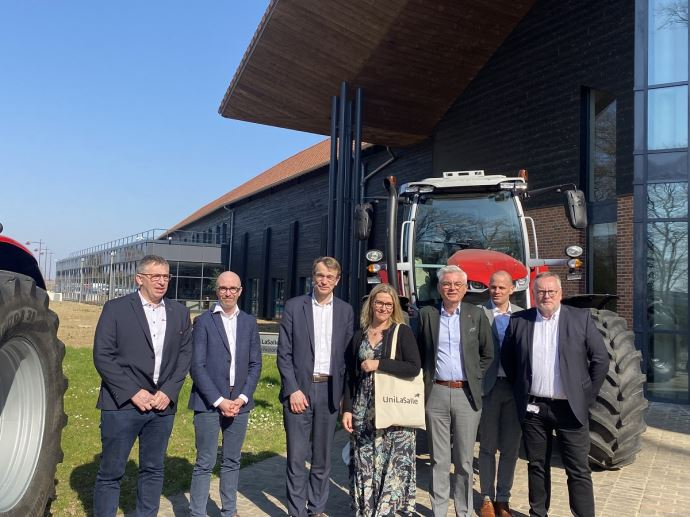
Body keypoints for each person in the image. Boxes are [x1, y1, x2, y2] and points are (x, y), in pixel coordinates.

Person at [501, 272, 608, 517]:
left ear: (560, 293)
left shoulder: (580, 318)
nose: (546, 296)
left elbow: (600, 360)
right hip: (534, 410)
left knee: (578, 469)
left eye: (551, 291)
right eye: (541, 291)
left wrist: (586, 396)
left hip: (570, 408)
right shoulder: (519, 320)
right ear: (534, 294)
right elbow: (509, 360)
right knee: (537, 465)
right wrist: (522, 388)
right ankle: (538, 513)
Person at [92, 255, 192, 517]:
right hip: (123, 405)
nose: (162, 281)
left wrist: (168, 392)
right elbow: (103, 355)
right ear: (139, 279)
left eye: (166, 276)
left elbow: (185, 357)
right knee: (111, 472)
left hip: (161, 407)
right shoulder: (116, 309)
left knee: (153, 469)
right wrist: (132, 392)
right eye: (155, 276)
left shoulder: (180, 313)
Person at [277, 257, 355, 517]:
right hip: (300, 391)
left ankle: (317, 509)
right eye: (320, 275)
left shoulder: (345, 311)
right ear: (313, 277)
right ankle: (296, 511)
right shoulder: (294, 306)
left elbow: (348, 360)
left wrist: (346, 401)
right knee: (296, 458)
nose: (324, 281)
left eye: (330, 277)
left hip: (330, 392)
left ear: (337, 280)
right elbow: (284, 353)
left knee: (322, 458)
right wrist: (293, 389)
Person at [417, 265, 493, 517]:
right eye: (447, 284)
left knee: (463, 459)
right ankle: (439, 511)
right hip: (436, 393)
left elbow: (487, 354)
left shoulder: (476, 314)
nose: (452, 288)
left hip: (466, 395)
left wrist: (474, 377)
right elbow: (419, 352)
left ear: (465, 287)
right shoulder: (427, 314)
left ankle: (464, 510)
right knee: (438, 459)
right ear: (439, 288)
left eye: (457, 284)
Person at [342, 283, 422, 516]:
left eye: (389, 304)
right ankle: (367, 510)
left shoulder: (402, 332)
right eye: (379, 302)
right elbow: (350, 375)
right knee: (365, 462)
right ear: (371, 304)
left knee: (392, 464)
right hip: (363, 409)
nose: (384, 308)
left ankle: (387, 512)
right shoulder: (359, 335)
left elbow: (414, 367)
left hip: (395, 410)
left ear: (394, 307)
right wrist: (347, 409)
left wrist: (379, 364)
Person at [188, 271, 262, 517]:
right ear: (216, 291)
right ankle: (197, 513)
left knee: (232, 460)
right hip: (208, 403)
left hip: (240, 403)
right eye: (223, 288)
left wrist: (242, 398)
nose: (228, 293)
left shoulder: (249, 322)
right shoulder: (203, 321)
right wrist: (219, 401)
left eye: (233, 289)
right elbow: (197, 366)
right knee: (205, 461)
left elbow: (255, 364)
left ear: (240, 291)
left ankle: (229, 511)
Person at [478, 271, 523, 517]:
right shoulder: (478, 314)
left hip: (514, 390)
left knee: (510, 448)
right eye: (493, 287)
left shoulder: (523, 315)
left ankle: (503, 499)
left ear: (512, 289)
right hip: (489, 388)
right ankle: (486, 498)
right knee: (487, 446)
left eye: (502, 288)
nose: (496, 291)